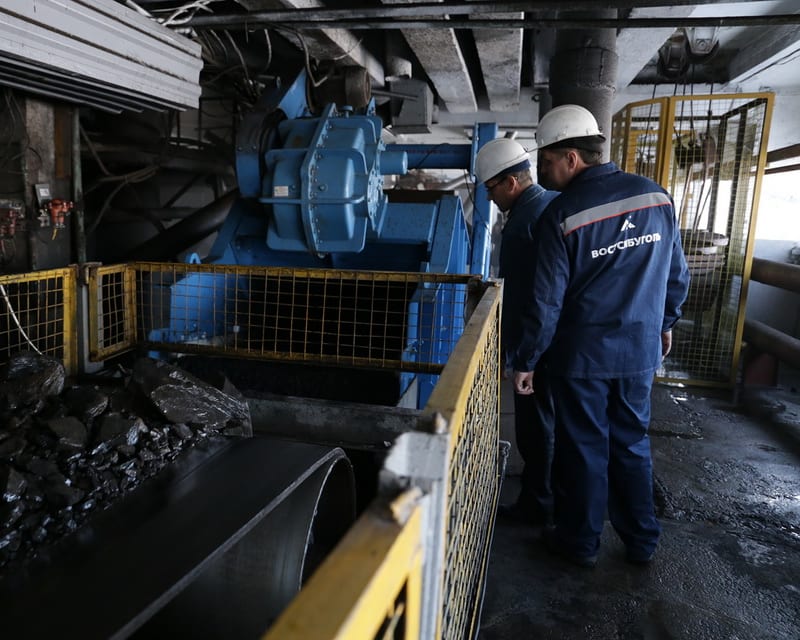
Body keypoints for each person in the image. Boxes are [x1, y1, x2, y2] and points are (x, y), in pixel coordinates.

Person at [513, 104, 690, 567]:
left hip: (583, 359)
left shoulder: (562, 214)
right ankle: (642, 540)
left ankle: (580, 542)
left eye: (546, 161)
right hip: (638, 352)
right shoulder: (656, 197)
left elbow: (546, 301)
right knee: (631, 443)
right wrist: (666, 323)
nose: (543, 171)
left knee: (584, 448)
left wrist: (527, 359)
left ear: (571, 158)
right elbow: (676, 274)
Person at [475, 138, 559, 527]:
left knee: (535, 429)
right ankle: (545, 499)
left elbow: (529, 298)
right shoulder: (550, 205)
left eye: (491, 188)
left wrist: (519, 355)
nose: (489, 197)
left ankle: (537, 505)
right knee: (548, 425)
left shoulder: (525, 221)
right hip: (556, 342)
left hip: (539, 347)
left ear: (511, 182)